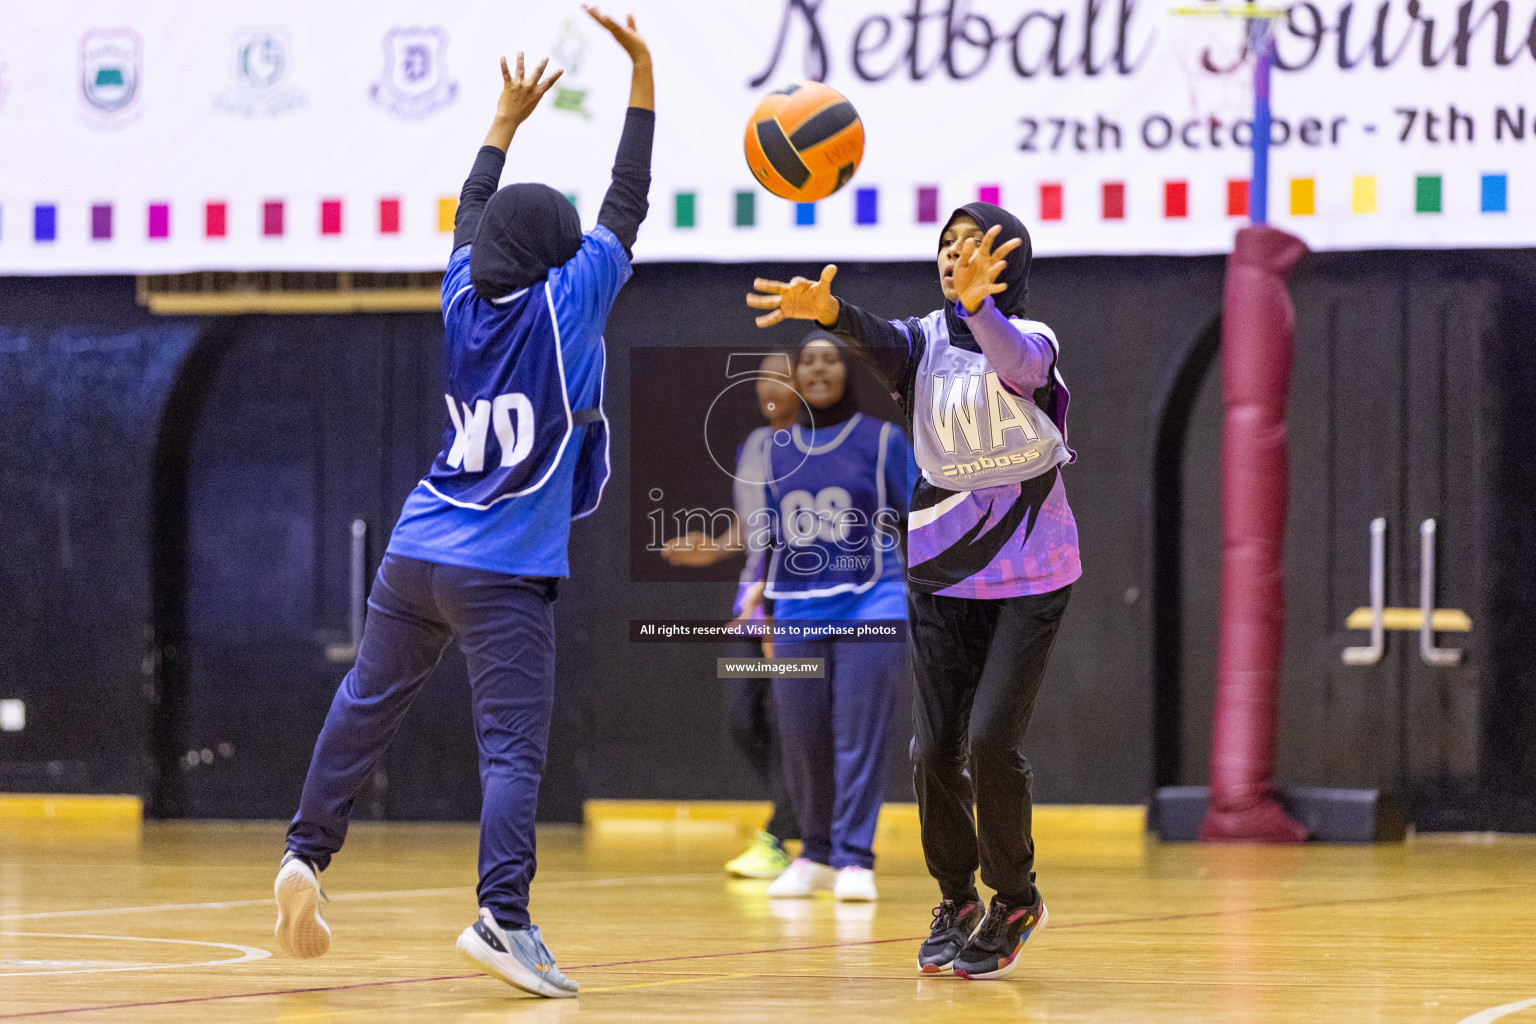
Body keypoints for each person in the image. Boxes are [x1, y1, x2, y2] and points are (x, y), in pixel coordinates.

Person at [272, 7, 653, 1000]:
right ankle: (504, 917)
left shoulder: (457, 291)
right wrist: (645, 71)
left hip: (415, 551)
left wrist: (503, 116)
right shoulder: (571, 301)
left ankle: (305, 855)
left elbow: (474, 206)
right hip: (501, 570)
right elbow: (629, 196)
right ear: (557, 252)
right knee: (511, 750)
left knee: (361, 707)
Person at [745, 203, 1079, 978]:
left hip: (1032, 574)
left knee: (993, 742)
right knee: (934, 750)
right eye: (945, 244)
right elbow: (880, 337)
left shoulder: (1035, 343)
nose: (954, 255)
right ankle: (957, 897)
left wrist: (980, 310)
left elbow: (1018, 369)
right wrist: (828, 311)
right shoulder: (921, 343)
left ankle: (1016, 897)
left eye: (974, 245)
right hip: (940, 572)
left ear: (1007, 263)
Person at [738, 332, 912, 903]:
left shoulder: (883, 441)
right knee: (802, 737)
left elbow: (920, 519)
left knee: (856, 738)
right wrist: (757, 607)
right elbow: (768, 541)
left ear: (847, 372)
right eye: (806, 361)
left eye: (829, 360)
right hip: (795, 611)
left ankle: (854, 859)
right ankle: (812, 853)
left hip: (872, 603)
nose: (816, 369)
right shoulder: (775, 451)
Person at [661, 353, 802, 878]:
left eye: (782, 375)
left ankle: (778, 834)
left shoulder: (816, 450)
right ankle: (811, 811)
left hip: (792, 606)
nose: (769, 383)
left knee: (792, 721)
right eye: (762, 375)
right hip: (750, 606)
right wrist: (713, 546)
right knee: (743, 717)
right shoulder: (753, 449)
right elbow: (755, 532)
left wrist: (773, 605)